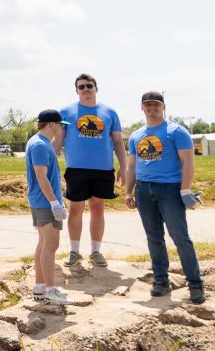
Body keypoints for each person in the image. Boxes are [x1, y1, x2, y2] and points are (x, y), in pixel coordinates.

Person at [125, 91, 205, 304]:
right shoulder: (136, 136)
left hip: (170, 189)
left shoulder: (176, 132)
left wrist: (185, 190)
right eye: (148, 105)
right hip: (143, 189)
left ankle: (195, 284)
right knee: (154, 237)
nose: (152, 108)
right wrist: (128, 191)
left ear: (164, 107)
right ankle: (161, 281)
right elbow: (132, 165)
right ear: (142, 108)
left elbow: (188, 162)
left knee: (180, 237)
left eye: (156, 104)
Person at [55, 73, 127, 266]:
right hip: (76, 168)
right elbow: (59, 139)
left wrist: (124, 167)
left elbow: (118, 141)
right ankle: (74, 251)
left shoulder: (109, 112)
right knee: (75, 208)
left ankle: (96, 251)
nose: (86, 89)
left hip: (103, 169)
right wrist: (48, 160)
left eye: (89, 86)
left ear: (96, 88)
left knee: (97, 208)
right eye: (81, 87)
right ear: (76, 91)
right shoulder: (67, 112)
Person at [26, 109, 72, 305]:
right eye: (60, 125)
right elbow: (41, 176)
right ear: (52, 124)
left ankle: (40, 286)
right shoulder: (40, 146)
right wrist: (55, 203)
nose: (61, 129)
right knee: (51, 246)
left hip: (40, 201)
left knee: (43, 244)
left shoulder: (38, 142)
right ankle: (51, 290)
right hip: (45, 203)